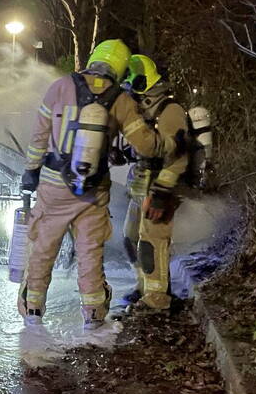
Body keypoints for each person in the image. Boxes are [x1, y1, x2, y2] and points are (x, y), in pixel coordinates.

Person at [18, 40, 183, 330]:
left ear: (95, 57)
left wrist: (30, 172)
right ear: (120, 68)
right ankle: (93, 312)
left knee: (43, 247)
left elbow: (39, 137)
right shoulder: (120, 98)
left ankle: (32, 309)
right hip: (94, 192)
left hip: (54, 186)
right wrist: (169, 144)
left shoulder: (59, 87)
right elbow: (145, 146)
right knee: (90, 251)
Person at [119, 55, 205, 313]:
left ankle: (157, 299)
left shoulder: (170, 110)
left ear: (141, 80)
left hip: (160, 188)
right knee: (130, 238)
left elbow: (177, 157)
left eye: (130, 82)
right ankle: (144, 286)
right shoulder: (144, 109)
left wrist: (161, 194)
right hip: (141, 184)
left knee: (151, 241)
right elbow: (148, 147)